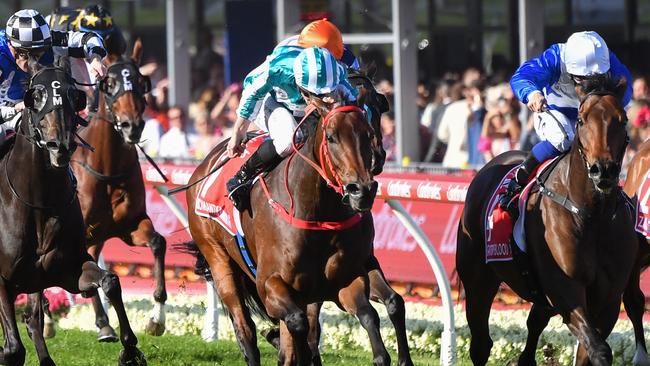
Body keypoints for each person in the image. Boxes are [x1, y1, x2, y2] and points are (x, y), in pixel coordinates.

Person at [501, 31, 632, 210]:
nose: (589, 85)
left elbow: (626, 88)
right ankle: (518, 181)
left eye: (596, 80)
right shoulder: (555, 57)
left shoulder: (608, 60)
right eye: (581, 79)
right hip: (554, 111)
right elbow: (521, 77)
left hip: (591, 117)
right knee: (565, 140)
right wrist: (532, 93)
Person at [226, 46, 358, 211]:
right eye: (314, 93)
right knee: (290, 139)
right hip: (268, 99)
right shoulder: (279, 69)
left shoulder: (338, 74)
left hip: (297, 103)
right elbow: (252, 95)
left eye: (323, 92)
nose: (318, 97)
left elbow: (356, 109)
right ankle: (241, 176)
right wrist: (237, 133)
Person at [0, 9, 106, 139]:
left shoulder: (47, 42)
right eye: (26, 54)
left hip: (32, 110)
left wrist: (95, 59)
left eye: (40, 52)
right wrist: (14, 109)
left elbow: (89, 38)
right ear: (11, 45)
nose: (34, 60)